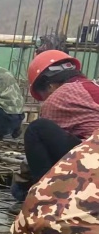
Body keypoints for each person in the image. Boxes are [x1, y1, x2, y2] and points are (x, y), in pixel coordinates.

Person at [22, 50, 99, 184]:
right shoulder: (93, 86)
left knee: (37, 129)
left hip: (93, 161)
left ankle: (45, 189)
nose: (45, 100)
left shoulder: (59, 96)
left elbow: (45, 147)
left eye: (44, 96)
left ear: (50, 86)